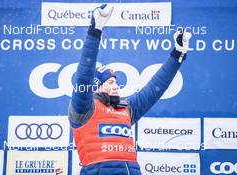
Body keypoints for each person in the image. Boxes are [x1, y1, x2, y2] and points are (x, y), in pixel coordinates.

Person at [68, 4, 192, 175]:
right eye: (110, 82)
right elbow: (84, 75)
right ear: (96, 86)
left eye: (116, 82)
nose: (115, 86)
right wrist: (95, 30)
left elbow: (155, 88)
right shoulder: (83, 109)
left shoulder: (126, 108)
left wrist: (178, 54)